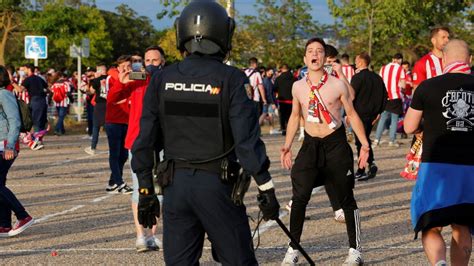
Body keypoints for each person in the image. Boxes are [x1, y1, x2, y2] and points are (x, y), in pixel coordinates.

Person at [131, 1, 280, 264]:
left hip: (175, 188)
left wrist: (145, 191)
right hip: (217, 187)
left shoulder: (162, 79)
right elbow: (246, 142)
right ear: (223, 34)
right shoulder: (232, 79)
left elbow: (144, 142)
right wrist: (266, 186)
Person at [280, 37, 369, 265]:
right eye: (310, 51)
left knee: (346, 198)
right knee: (299, 198)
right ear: (305, 58)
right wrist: (287, 145)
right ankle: (293, 249)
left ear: (324, 57)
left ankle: (355, 250)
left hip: (335, 144)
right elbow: (294, 116)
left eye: (319, 51)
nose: (315, 54)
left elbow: (352, 115)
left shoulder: (337, 85)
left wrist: (365, 145)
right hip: (310, 145)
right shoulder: (298, 86)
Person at [404, 39, 473, 266]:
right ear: (469, 60)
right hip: (470, 166)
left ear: (443, 59)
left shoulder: (427, 86)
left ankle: (439, 263)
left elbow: (409, 127)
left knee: (431, 223)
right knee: (463, 224)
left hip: (436, 164)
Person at [109, 45, 166, 252]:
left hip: (162, 141)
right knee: (139, 188)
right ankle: (140, 235)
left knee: (160, 189)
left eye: (155, 60)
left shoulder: (166, 80)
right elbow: (113, 99)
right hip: (137, 141)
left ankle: (152, 235)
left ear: (163, 62)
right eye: (147, 61)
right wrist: (122, 82)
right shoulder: (137, 80)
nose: (151, 64)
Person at [0, 65, 34, 237]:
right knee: (0, 185)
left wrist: (10, 146)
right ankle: (4, 224)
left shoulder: (4, 94)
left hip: (5, 145)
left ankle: (23, 215)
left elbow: (14, 122)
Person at [351, 52, 387, 181]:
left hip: (359, 114)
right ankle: (369, 164)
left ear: (361, 62)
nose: (355, 63)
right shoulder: (377, 77)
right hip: (372, 114)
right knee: (364, 139)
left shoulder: (357, 78)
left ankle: (364, 167)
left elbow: (351, 96)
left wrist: (349, 113)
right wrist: (379, 112)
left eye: (356, 60)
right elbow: (384, 96)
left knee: (361, 142)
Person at [104, 56, 133, 194]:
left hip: (127, 120)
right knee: (115, 153)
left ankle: (112, 182)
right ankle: (120, 183)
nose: (126, 69)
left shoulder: (134, 77)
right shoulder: (111, 78)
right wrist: (121, 83)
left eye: (129, 66)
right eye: (124, 66)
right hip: (113, 120)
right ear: (118, 67)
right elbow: (109, 97)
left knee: (124, 154)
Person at [373, 53, 406, 147]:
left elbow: (379, 82)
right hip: (395, 97)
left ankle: (376, 140)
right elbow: (403, 85)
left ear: (392, 59)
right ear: (399, 60)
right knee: (394, 119)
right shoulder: (400, 69)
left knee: (383, 118)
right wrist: (402, 88)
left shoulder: (383, 68)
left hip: (385, 97)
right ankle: (392, 141)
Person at [21, 64, 48, 150]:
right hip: (43, 100)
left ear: (29, 69)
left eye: (24, 69)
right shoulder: (40, 78)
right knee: (41, 120)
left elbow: (20, 90)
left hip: (35, 100)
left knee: (36, 121)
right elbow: (48, 88)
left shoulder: (28, 79)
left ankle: (36, 142)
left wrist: (12, 83)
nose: (23, 71)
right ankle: (39, 140)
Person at [84, 64, 108, 155]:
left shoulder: (97, 80)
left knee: (96, 126)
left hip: (100, 104)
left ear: (100, 71)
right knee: (109, 125)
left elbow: (91, 91)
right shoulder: (111, 78)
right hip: (110, 103)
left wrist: (85, 89)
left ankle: (93, 147)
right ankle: (114, 146)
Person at [274, 64, 296, 136]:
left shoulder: (278, 78)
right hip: (292, 100)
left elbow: (274, 89)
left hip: (282, 100)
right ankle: (291, 129)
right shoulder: (294, 78)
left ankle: (284, 129)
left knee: (283, 115)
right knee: (291, 115)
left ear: (282, 69)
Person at [245, 57, 267, 123]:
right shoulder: (256, 73)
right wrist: (264, 99)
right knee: (255, 118)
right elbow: (260, 87)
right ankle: (255, 132)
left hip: (246, 98)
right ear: (255, 64)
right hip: (255, 98)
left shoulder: (244, 72)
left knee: (248, 117)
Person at [50, 71, 72, 136]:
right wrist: (72, 100)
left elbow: (51, 93)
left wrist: (49, 101)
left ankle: (62, 130)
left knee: (60, 116)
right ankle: (57, 130)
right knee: (61, 117)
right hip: (64, 101)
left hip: (57, 102)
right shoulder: (66, 83)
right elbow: (68, 93)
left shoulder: (55, 84)